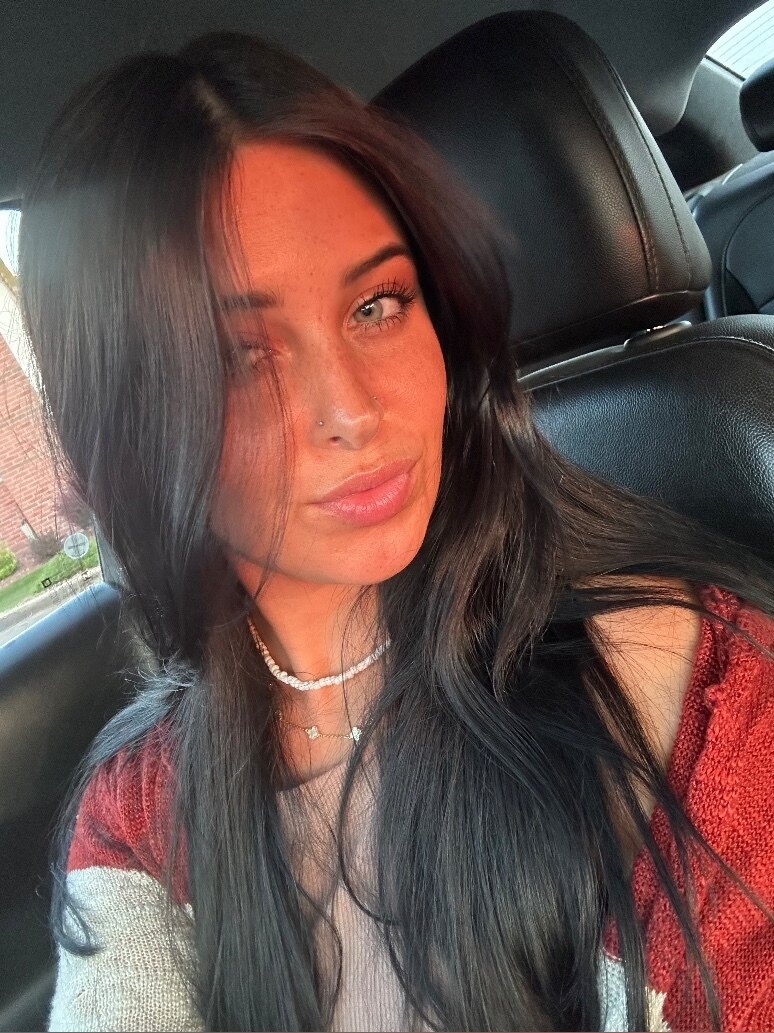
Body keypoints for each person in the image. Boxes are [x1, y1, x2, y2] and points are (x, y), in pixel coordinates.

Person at [17, 30, 774, 1033]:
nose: (353, 410)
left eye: (377, 304)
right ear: (129, 429)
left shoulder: (699, 695)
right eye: (240, 358)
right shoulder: (141, 810)